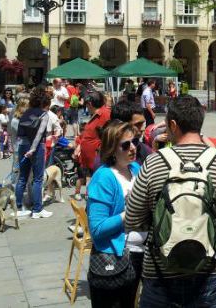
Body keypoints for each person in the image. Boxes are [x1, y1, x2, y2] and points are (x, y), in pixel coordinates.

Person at [125, 94, 216, 308]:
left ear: (173, 124)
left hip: (159, 271)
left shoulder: (153, 163)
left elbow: (132, 220)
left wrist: (162, 224)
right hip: (208, 271)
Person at [86, 120, 143, 308]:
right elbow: (97, 228)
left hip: (141, 254)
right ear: (112, 149)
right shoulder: (104, 177)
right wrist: (129, 213)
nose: (133, 147)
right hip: (115, 258)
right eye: (126, 145)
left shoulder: (136, 169)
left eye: (135, 141)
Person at [15, 87, 52, 219]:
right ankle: (37, 209)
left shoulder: (25, 113)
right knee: (37, 179)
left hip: (22, 145)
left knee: (22, 178)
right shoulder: (44, 115)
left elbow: (20, 134)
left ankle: (18, 208)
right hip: (36, 148)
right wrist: (33, 149)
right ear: (44, 103)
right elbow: (40, 133)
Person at [78, 91, 111, 185]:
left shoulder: (105, 114)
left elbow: (110, 133)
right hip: (91, 160)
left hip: (97, 158)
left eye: (87, 105)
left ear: (90, 104)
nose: (86, 108)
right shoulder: (98, 114)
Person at [111, 101, 151, 165]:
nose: (143, 129)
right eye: (138, 124)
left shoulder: (145, 151)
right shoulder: (105, 158)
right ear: (121, 125)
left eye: (142, 123)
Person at [9, 98, 29, 184]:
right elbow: (24, 133)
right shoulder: (16, 120)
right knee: (16, 166)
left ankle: (19, 182)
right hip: (18, 147)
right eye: (28, 107)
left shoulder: (24, 119)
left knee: (22, 167)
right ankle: (14, 183)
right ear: (22, 107)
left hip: (24, 146)